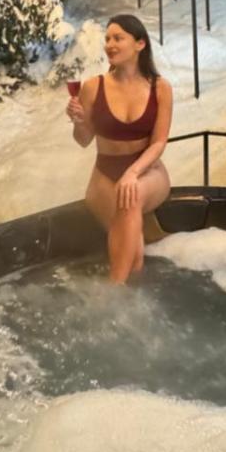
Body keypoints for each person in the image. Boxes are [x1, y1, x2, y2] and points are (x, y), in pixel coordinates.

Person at [66, 14, 172, 284]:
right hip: (105, 175)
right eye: (107, 39)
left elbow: (159, 142)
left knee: (131, 195)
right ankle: (126, 294)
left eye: (118, 38)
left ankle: (113, 288)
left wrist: (133, 173)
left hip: (147, 171)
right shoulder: (93, 87)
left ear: (139, 44)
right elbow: (83, 140)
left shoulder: (160, 88)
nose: (110, 45)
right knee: (134, 254)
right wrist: (79, 121)